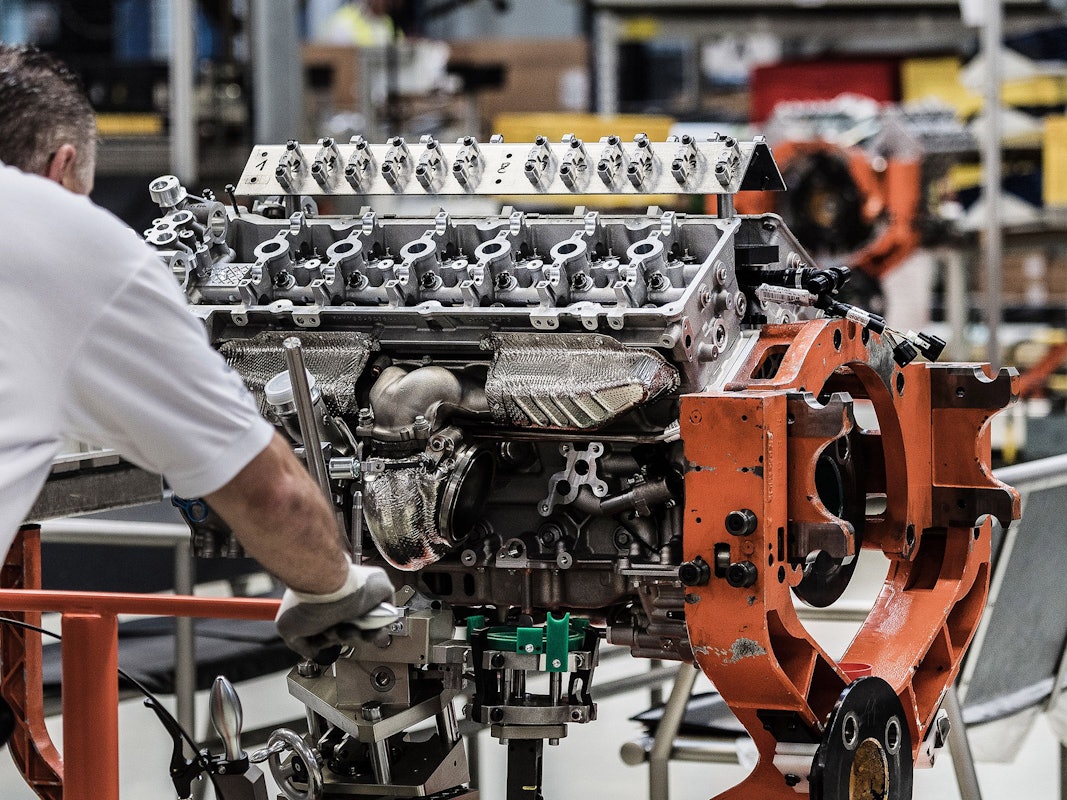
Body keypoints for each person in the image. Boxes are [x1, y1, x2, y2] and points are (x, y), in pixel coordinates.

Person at [0, 43, 395, 662]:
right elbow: (271, 494)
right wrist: (338, 589)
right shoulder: (58, 232)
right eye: (84, 191)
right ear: (62, 165)